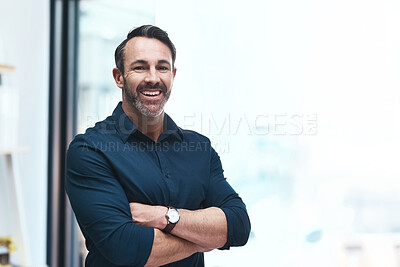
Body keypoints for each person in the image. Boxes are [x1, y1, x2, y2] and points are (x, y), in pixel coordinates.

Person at [66, 25, 251, 267]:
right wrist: (206, 237)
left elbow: (238, 225)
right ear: (118, 77)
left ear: (173, 75)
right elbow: (125, 247)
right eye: (140, 67)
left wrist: (164, 217)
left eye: (162, 67)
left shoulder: (199, 148)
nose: (153, 78)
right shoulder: (90, 150)